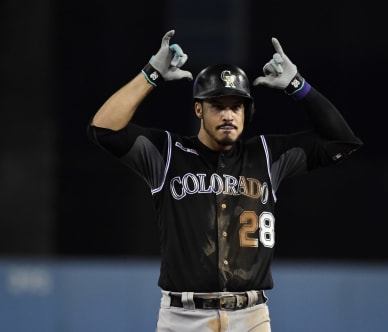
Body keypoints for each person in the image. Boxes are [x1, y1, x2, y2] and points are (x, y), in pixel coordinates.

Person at [88, 29, 362, 332]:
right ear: (198, 109)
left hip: (251, 316)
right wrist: (150, 74)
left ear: (246, 112)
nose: (228, 114)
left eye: (236, 106)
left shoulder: (267, 155)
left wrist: (299, 86)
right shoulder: (168, 153)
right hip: (183, 318)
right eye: (217, 106)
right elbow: (104, 130)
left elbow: (342, 142)